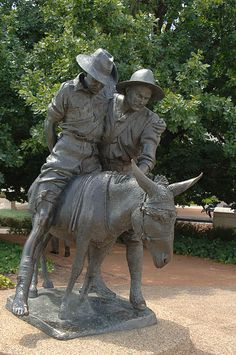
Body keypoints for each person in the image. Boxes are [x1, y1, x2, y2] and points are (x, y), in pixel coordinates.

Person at [12, 48, 117, 316]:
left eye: (102, 81)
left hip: (92, 159)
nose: (98, 85)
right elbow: (50, 123)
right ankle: (21, 291)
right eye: (95, 79)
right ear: (86, 73)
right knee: (42, 219)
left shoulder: (105, 94)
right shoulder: (67, 90)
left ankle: (94, 280)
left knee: (103, 216)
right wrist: (54, 154)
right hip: (65, 153)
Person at [86, 69, 166, 309]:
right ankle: (93, 278)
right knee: (90, 225)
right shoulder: (107, 103)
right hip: (94, 170)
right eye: (138, 95)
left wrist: (138, 178)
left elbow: (148, 155)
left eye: (146, 98)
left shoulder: (152, 121)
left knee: (134, 235)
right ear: (128, 90)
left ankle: (136, 291)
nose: (142, 100)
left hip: (126, 177)